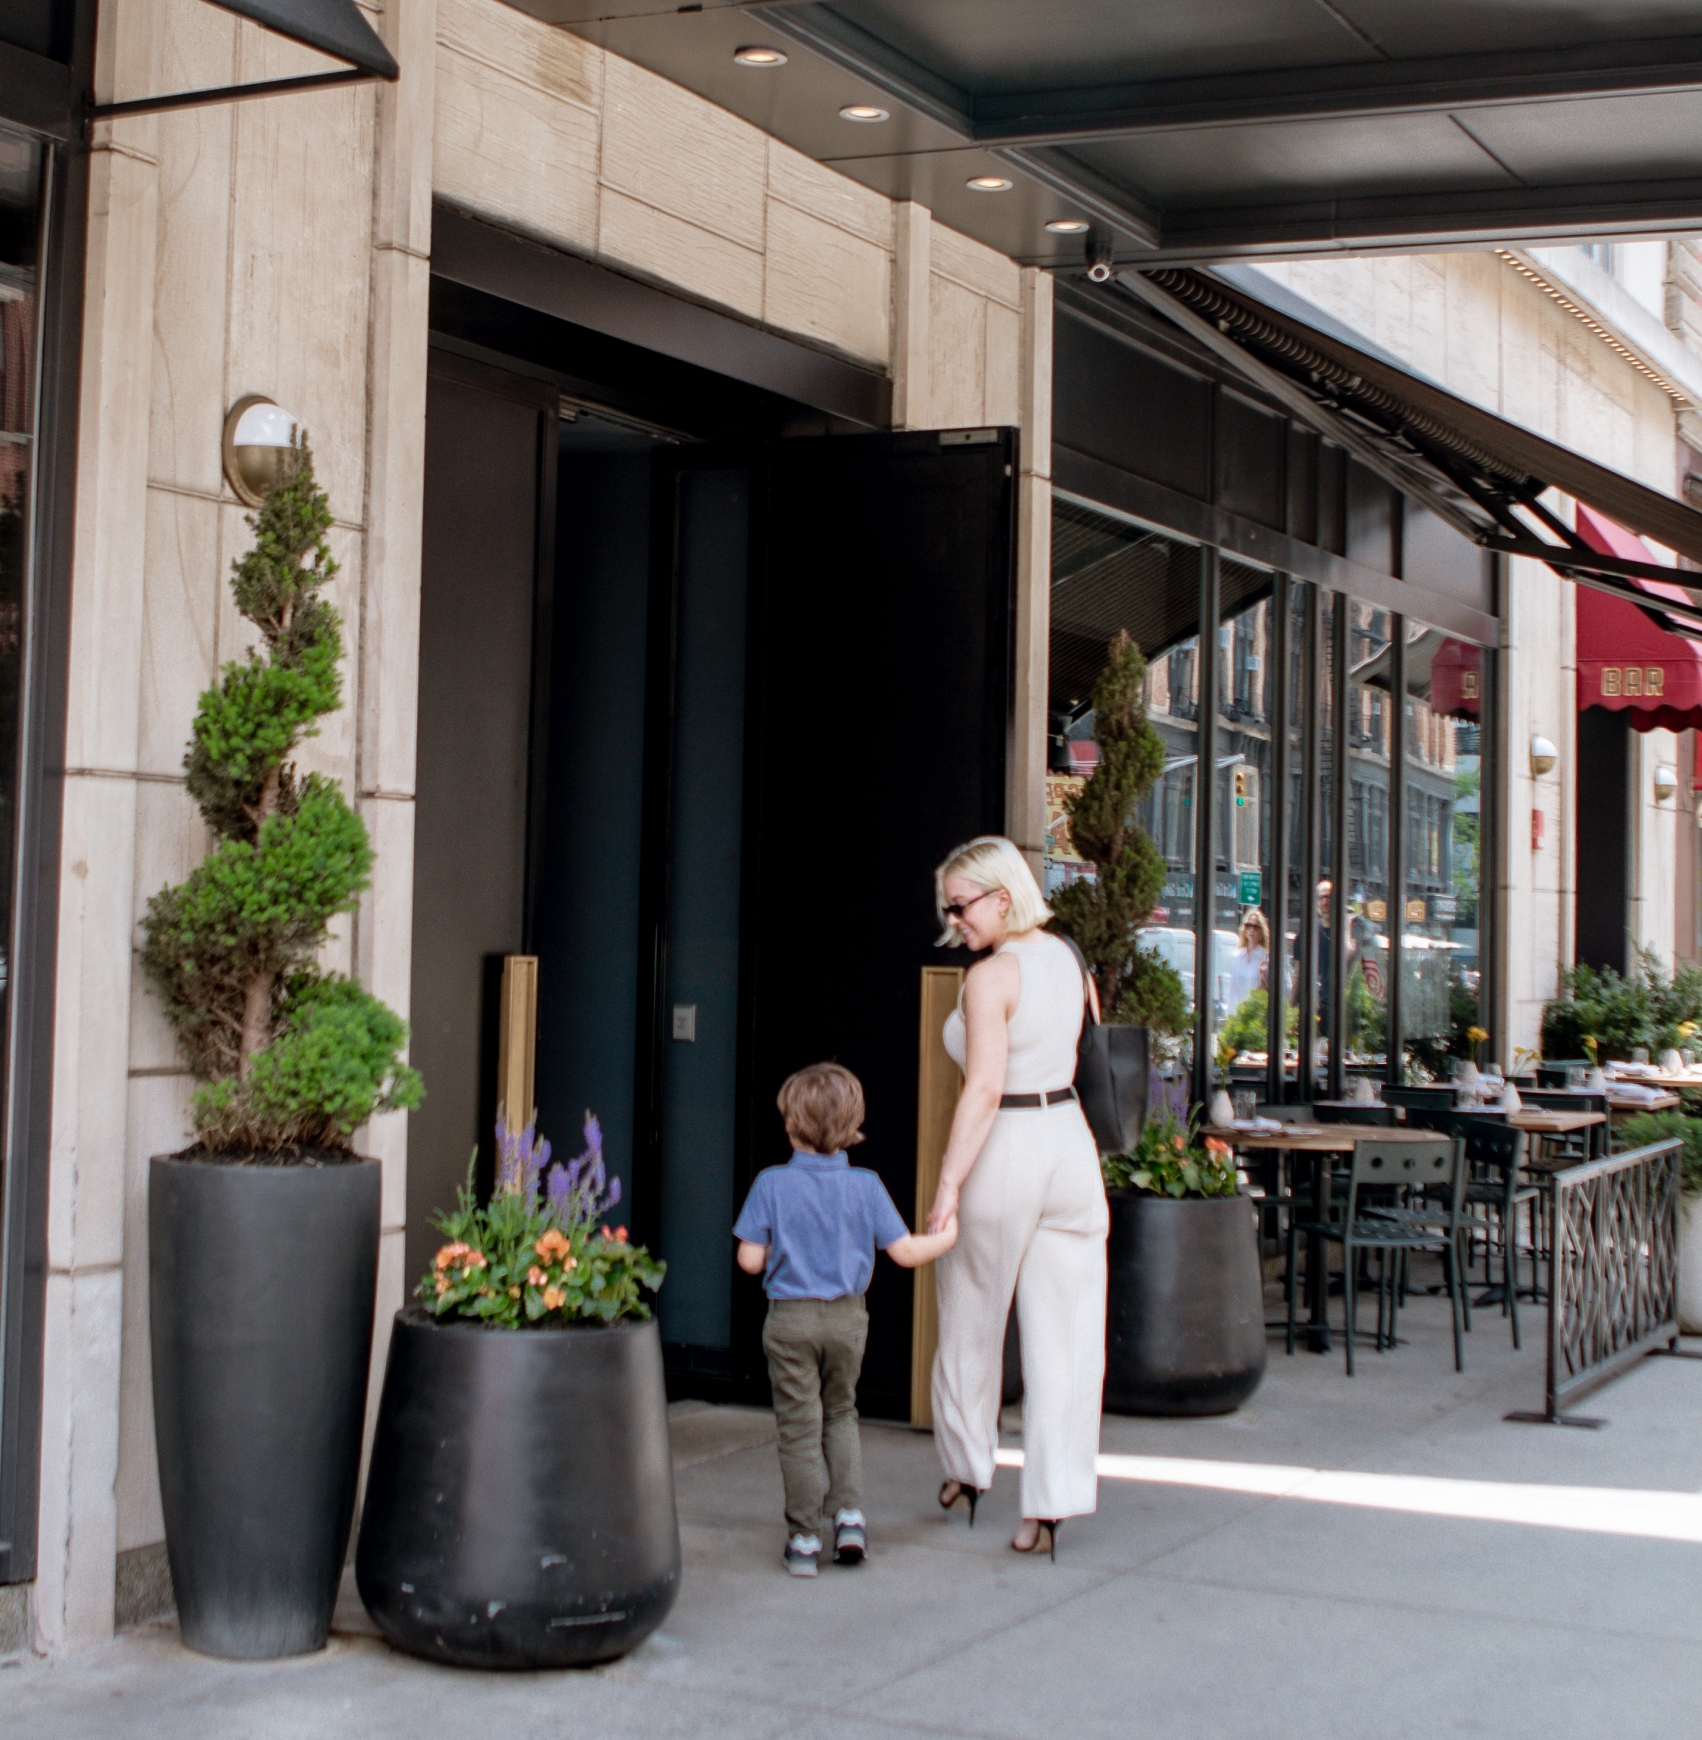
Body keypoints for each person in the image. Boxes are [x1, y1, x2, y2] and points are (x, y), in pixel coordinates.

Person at [927, 835, 1107, 1561]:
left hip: (1010, 1144)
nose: (953, 923)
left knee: (971, 1315)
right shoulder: (1067, 957)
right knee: (1067, 1338)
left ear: (1003, 897)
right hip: (1071, 1142)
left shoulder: (993, 977)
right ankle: (1052, 1506)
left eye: (961, 907)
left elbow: (984, 1087)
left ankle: (968, 1467)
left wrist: (947, 1183)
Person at [733, 1061, 956, 1578]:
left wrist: (776, 1250)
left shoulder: (771, 1184)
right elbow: (903, 1253)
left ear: (790, 1125)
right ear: (852, 1123)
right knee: (841, 1413)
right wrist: (947, 1236)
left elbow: (749, 1259)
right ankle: (850, 1518)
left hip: (789, 1321)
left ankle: (805, 1538)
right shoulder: (868, 1186)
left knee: (798, 1428)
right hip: (848, 1320)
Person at [1227, 906, 1270, 1007]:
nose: (1252, 930)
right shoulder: (1237, 957)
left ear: (1261, 933)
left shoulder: (1266, 957)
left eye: (1256, 927)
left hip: (1258, 1013)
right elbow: (1232, 990)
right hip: (1239, 1014)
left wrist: (1265, 979)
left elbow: (1285, 988)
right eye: (1249, 926)